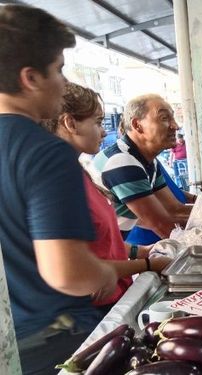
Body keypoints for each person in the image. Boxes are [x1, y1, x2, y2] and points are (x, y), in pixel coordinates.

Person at [0, 5, 118, 373]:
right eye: (59, 70)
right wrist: (106, 273)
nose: (64, 83)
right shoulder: (44, 151)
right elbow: (67, 273)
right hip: (56, 338)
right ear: (30, 77)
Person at [42, 82, 172, 311]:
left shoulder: (77, 174)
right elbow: (79, 267)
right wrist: (148, 264)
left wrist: (141, 251)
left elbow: (100, 243)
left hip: (114, 296)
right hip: (89, 309)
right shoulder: (57, 185)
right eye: (98, 122)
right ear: (70, 123)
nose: (104, 132)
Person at [92, 94, 193, 240]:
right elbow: (162, 226)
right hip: (109, 253)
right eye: (164, 118)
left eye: (173, 118)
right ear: (137, 125)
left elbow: (174, 209)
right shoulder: (122, 162)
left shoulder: (148, 160)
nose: (175, 126)